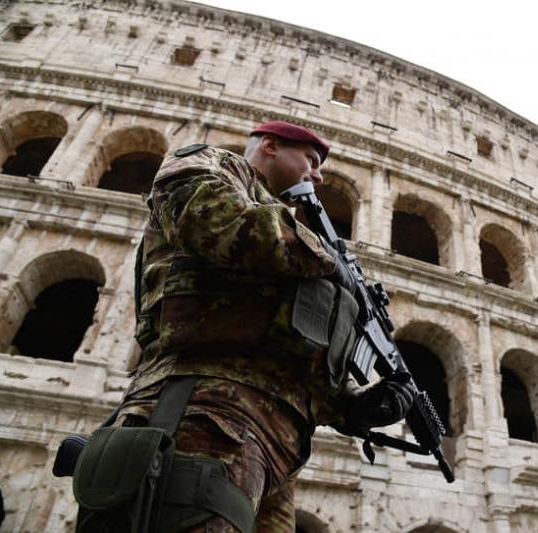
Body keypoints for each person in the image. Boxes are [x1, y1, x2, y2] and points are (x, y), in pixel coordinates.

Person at [112, 121, 416, 532]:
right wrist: (331, 261)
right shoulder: (208, 164)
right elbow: (218, 223)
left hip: (279, 447)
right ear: (271, 146)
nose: (318, 174)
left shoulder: (294, 237)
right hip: (203, 406)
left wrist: (353, 406)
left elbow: (293, 354)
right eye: (310, 160)